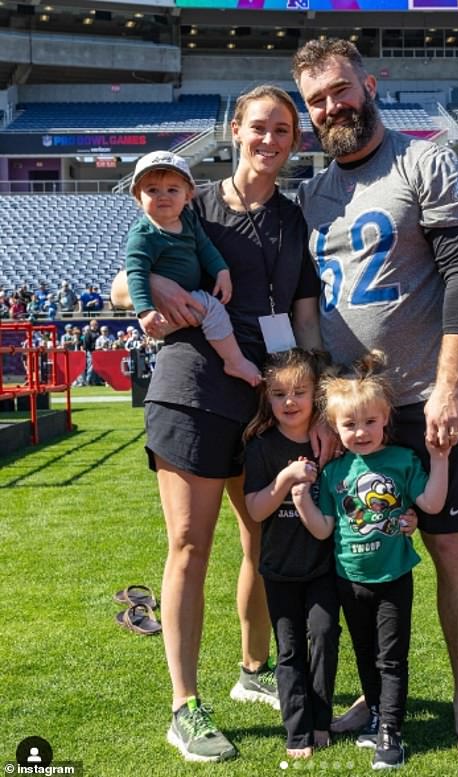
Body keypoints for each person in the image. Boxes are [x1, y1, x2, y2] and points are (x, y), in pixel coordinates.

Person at [291, 38, 458, 763]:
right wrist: (323, 405)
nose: (331, 107)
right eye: (317, 99)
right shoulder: (315, 193)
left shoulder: (425, 159)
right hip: (353, 408)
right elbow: (309, 309)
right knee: (356, 554)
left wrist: (451, 384)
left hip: (422, 395)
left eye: (341, 89)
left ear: (369, 84)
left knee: (448, 545)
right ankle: (378, 695)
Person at [109, 84, 322, 763]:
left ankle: (252, 670)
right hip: (194, 390)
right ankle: (184, 705)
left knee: (263, 538)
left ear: (295, 140)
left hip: (264, 396)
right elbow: (123, 282)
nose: (270, 139)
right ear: (235, 130)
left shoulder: (293, 218)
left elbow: (302, 308)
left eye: (283, 129)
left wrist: (312, 394)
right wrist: (162, 291)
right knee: (190, 546)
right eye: (259, 126)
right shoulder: (187, 199)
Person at [292, 351, 449, 770]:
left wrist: (440, 458)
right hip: (349, 577)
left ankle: (390, 734)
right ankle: (377, 711)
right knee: (365, 654)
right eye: (349, 425)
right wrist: (300, 500)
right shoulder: (333, 472)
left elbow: (431, 502)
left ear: (385, 419)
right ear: (335, 426)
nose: (360, 432)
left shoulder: (402, 461)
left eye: (369, 423)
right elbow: (324, 529)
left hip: (393, 575)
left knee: (391, 658)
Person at [243, 348, 339, 760]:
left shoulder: (329, 442)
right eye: (279, 393)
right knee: (289, 651)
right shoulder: (261, 447)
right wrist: (285, 480)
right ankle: (297, 731)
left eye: (300, 392)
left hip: (322, 567)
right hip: (279, 569)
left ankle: (320, 720)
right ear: (268, 397)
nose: (289, 402)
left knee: (323, 637)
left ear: (315, 394)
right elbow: (256, 509)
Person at [126, 150, 261, 387]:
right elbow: (135, 274)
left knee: (208, 307)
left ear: (188, 195)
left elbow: (205, 247)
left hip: (182, 301)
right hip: (162, 312)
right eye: (152, 190)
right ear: (138, 197)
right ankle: (235, 361)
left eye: (172, 189)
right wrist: (145, 311)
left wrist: (222, 271)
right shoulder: (143, 234)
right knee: (212, 308)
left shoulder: (188, 219)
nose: (163, 196)